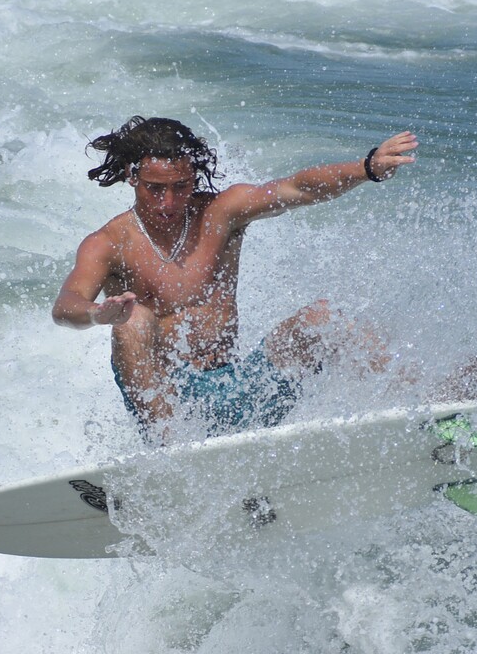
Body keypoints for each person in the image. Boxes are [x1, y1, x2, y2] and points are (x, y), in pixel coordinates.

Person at [52, 116, 418, 441]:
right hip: (171, 404)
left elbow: (297, 189)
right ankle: (174, 454)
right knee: (133, 321)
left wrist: (367, 167)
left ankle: (422, 412)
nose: (169, 202)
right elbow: (65, 305)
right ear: (132, 176)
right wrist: (96, 314)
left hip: (240, 386)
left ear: (193, 175)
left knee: (322, 319)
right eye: (155, 188)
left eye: (181, 186)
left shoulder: (220, 213)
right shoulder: (108, 243)